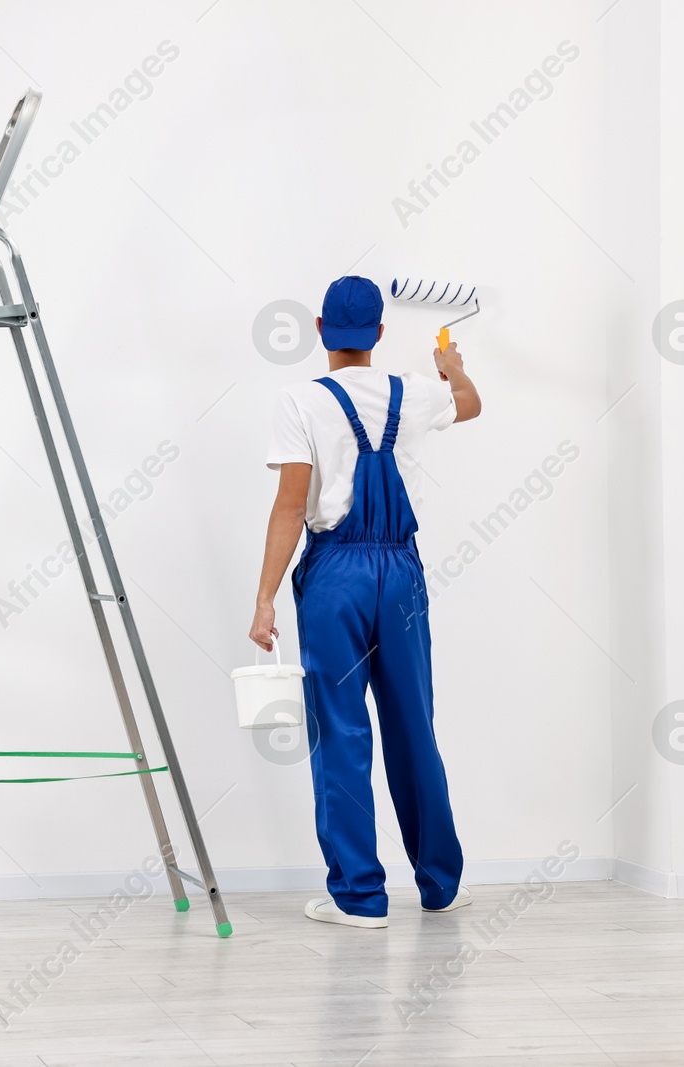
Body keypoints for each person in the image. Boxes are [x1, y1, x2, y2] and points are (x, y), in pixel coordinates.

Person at [249, 275, 481, 928]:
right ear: (379, 334)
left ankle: (360, 896)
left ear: (321, 330)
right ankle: (439, 884)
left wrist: (265, 597)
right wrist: (452, 366)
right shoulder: (415, 393)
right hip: (400, 573)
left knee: (341, 730)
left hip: (335, 579)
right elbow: (470, 403)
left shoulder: (299, 401)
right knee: (414, 723)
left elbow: (292, 505)